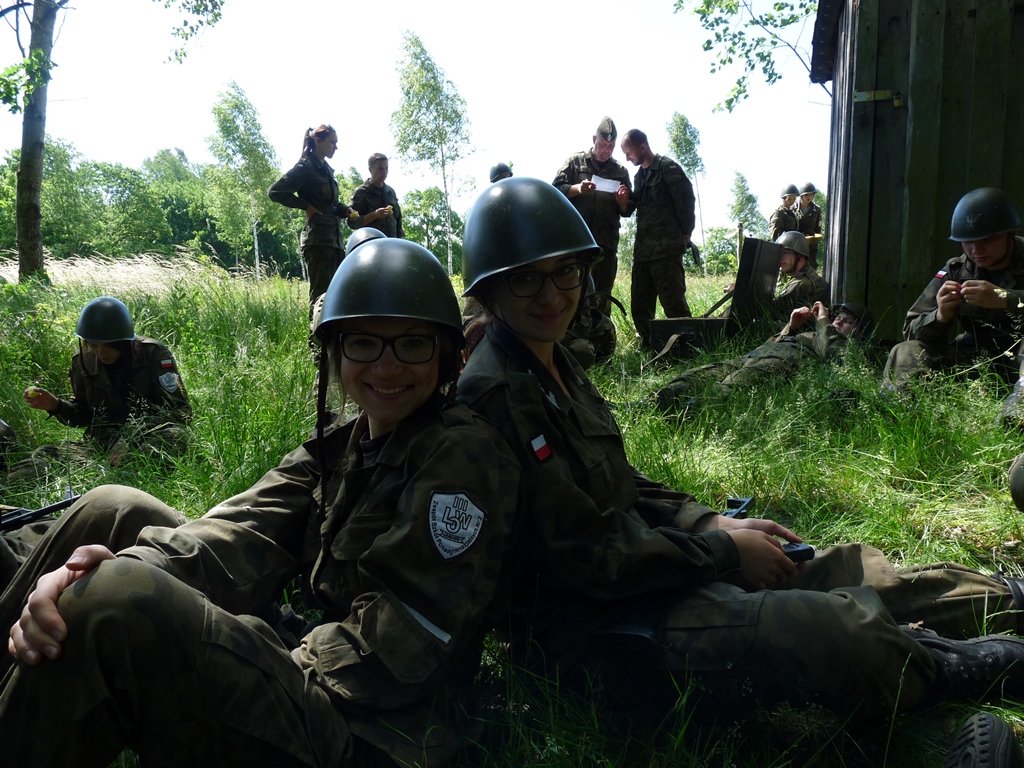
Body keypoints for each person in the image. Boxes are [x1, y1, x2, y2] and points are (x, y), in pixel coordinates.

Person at [456, 176, 1024, 726]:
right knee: (828, 629)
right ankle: (945, 667)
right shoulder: (497, 394)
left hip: (644, 573)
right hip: (589, 627)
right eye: (526, 280)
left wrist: (708, 522)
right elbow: (583, 556)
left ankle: (1006, 599)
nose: (552, 295)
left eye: (566, 271)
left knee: (830, 565)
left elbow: (619, 481)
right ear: (489, 289)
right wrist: (723, 553)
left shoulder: (551, 357)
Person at [1, 239, 524, 767]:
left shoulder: (461, 456)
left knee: (114, 601)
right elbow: (242, 528)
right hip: (312, 667)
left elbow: (404, 640)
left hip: (369, 727)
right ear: (337, 353)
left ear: (446, 355)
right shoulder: (343, 444)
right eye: (364, 343)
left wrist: (247, 648)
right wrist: (119, 563)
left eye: (412, 345)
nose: (386, 368)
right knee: (114, 509)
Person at [883, 188, 1024, 402]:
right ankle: (900, 409)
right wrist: (940, 316)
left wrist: (1006, 298)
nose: (976, 249)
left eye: (987, 239)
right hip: (975, 359)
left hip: (1019, 359)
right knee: (906, 352)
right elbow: (911, 329)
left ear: (1010, 234)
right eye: (968, 241)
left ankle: (1014, 416)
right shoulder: (956, 270)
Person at [22, 296, 191, 468]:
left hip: (146, 439)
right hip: (101, 444)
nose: (101, 353)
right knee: (46, 453)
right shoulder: (82, 361)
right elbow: (84, 416)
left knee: (175, 437)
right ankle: (106, 469)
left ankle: (119, 472)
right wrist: (55, 405)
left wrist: (131, 437)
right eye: (93, 345)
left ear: (124, 342)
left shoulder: (153, 354)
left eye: (109, 346)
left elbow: (180, 412)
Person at [653, 301, 872, 410]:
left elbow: (832, 353)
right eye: (838, 317)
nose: (838, 321)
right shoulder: (815, 333)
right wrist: (791, 327)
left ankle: (689, 410)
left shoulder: (844, 345)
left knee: (733, 385)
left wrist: (823, 320)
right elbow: (772, 342)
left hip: (778, 363)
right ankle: (653, 401)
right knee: (698, 375)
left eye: (848, 321)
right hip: (752, 356)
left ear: (859, 332)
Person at [268, 124, 356, 313]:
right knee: (320, 296)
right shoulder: (305, 167)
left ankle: (331, 331)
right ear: (318, 141)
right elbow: (275, 192)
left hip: (334, 242)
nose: (336, 147)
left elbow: (330, 204)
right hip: (318, 242)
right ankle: (315, 332)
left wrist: (345, 210)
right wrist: (306, 206)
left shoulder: (326, 170)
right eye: (332, 142)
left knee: (336, 295)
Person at [620, 129, 695, 347]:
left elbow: (685, 202)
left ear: (642, 147)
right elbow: (632, 207)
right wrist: (622, 201)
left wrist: (686, 233)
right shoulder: (639, 177)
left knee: (674, 304)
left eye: (629, 153)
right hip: (643, 253)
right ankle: (650, 346)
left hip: (667, 251)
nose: (627, 158)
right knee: (640, 305)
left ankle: (687, 347)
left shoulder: (667, 168)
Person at [553, 117, 632, 316]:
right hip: (576, 244)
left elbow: (628, 209)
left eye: (611, 146)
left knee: (602, 296)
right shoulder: (574, 162)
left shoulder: (620, 171)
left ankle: (602, 334)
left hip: (605, 245)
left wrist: (622, 201)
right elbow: (555, 192)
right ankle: (572, 335)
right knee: (572, 294)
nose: (607, 150)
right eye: (603, 145)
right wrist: (577, 189)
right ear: (594, 139)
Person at [771, 230, 830, 323]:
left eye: (785, 253)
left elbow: (771, 309)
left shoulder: (802, 282)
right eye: (779, 253)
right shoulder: (808, 275)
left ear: (800, 256)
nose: (780, 257)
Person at [350, 152, 404, 239]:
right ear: (370, 169)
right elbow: (352, 223)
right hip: (371, 242)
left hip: (391, 242)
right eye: (380, 169)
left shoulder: (390, 192)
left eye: (386, 168)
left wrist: (400, 241)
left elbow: (398, 219)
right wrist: (375, 215)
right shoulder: (361, 192)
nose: (384, 172)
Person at [794, 182, 823, 268]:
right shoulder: (793, 209)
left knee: (811, 268)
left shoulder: (816, 210)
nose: (809, 197)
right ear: (801, 195)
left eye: (811, 194)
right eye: (806, 194)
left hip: (811, 246)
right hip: (796, 244)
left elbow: (818, 229)